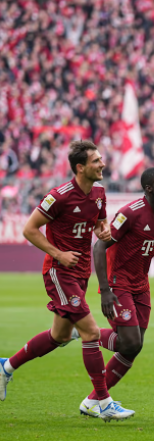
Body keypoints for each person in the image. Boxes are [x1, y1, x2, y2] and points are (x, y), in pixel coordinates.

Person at [0, 140, 134, 421]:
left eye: (101, 159)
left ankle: (6, 368)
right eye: (96, 161)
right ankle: (101, 400)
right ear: (80, 167)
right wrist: (58, 254)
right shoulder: (59, 196)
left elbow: (100, 221)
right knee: (91, 333)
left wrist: (103, 229)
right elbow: (29, 229)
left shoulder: (98, 192)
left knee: (59, 336)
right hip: (59, 272)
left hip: (81, 271)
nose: (102, 164)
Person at [75, 166, 154, 418]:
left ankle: (92, 402)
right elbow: (99, 248)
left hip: (141, 285)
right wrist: (105, 289)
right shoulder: (129, 214)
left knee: (134, 346)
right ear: (149, 188)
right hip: (117, 282)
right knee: (129, 342)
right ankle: (81, 331)